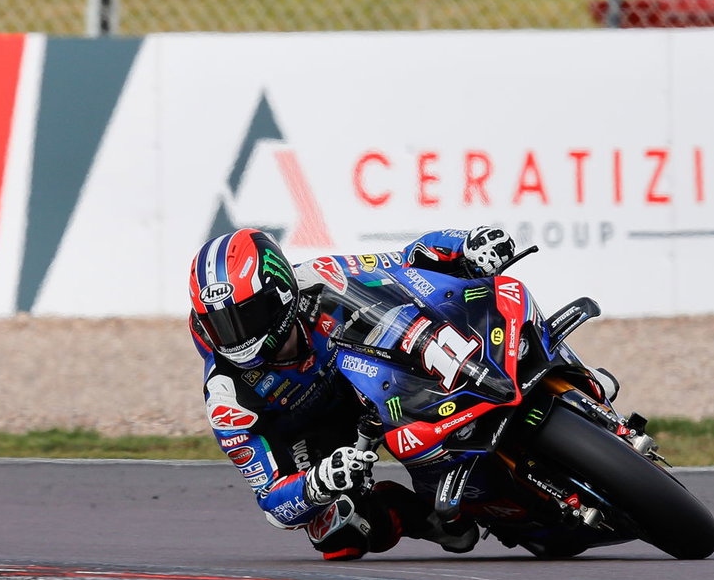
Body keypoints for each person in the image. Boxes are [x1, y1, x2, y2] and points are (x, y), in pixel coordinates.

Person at [188, 225, 520, 559]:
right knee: (335, 534)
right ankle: (425, 518)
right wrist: (314, 485)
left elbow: (406, 260)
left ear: (282, 294)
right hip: (314, 437)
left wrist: (464, 245)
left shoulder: (322, 277)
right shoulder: (226, 398)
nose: (236, 336)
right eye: (220, 324)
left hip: (379, 381)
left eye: (247, 316)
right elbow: (272, 502)